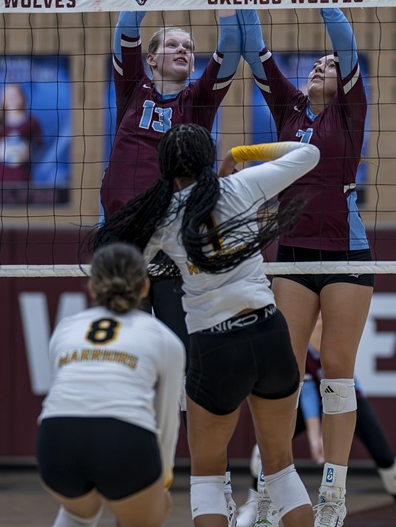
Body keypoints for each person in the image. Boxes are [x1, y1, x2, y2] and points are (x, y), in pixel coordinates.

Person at [92, 122, 320, 527]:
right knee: (282, 468)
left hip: (216, 348)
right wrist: (242, 155)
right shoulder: (244, 186)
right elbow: (309, 154)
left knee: (208, 475)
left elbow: (125, 266)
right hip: (269, 334)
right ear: (207, 158)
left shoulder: (162, 216)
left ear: (166, 168)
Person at [225, 0, 371, 527]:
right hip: (291, 251)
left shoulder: (350, 109)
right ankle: (271, 484)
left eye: (327, 66)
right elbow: (258, 54)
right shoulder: (288, 110)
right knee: (281, 372)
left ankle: (333, 493)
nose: (320, 65)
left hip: (346, 251)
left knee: (336, 369)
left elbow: (347, 47)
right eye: (314, 63)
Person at [102, 0, 250, 355]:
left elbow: (231, 45)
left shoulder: (198, 101)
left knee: (174, 348)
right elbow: (128, 22)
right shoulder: (133, 87)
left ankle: (178, 419)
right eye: (172, 44)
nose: (184, 49)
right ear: (151, 58)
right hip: (123, 229)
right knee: (122, 351)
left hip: (173, 236)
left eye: (189, 46)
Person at [35, 242, 186, 527]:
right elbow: (167, 422)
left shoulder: (66, 328)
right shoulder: (165, 338)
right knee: (152, 513)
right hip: (124, 442)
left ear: (92, 287)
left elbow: (59, 396)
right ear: (145, 287)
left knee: (79, 514)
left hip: (57, 442)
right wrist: (160, 483)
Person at [235, 314, 396, 527]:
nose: (318, 318)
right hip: (309, 402)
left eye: (322, 314)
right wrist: (314, 435)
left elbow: (342, 382)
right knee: (263, 449)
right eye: (315, 314)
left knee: (387, 459)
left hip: (342, 399)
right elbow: (308, 391)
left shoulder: (338, 336)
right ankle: (254, 504)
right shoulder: (298, 340)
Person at [0, 82, 42, 184]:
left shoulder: (32, 122)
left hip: (24, 178)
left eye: (15, 96)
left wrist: (29, 151)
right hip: (1, 179)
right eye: (8, 96)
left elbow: (41, 148)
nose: (12, 100)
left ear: (22, 97)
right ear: (2, 100)